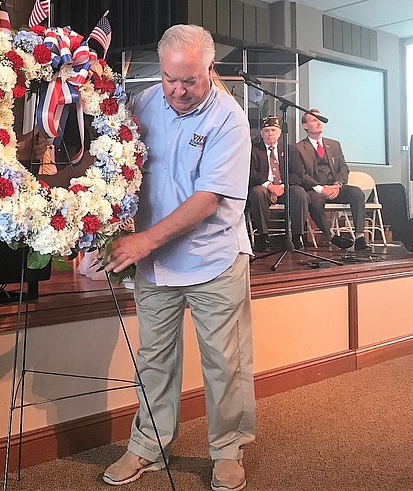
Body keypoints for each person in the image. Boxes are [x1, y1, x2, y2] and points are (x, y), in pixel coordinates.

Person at [104, 24, 254, 491]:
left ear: (210, 70)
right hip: (156, 265)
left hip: (214, 260)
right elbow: (119, 162)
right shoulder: (146, 102)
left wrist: (143, 241)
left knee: (224, 362)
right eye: (170, 79)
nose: (178, 90)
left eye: (189, 80)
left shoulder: (229, 119)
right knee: (154, 360)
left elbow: (208, 198)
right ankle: (147, 445)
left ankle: (228, 449)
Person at [288, 109, 368, 251]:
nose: (319, 122)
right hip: (315, 189)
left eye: (320, 119)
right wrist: (320, 188)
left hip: (335, 187)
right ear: (305, 126)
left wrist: (337, 185)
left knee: (357, 193)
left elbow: (343, 168)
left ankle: (360, 236)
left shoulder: (334, 144)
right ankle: (331, 236)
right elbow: (301, 174)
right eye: (314, 120)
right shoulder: (298, 148)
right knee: (315, 202)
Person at [248, 115, 309, 251]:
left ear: (280, 133)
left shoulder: (290, 150)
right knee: (258, 192)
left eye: (273, 130)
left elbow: (297, 174)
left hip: (284, 188)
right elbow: (250, 172)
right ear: (261, 134)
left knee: (299, 192)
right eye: (266, 130)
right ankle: (262, 237)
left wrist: (281, 187)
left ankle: (297, 236)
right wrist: (269, 186)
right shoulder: (253, 149)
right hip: (263, 188)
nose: (270, 134)